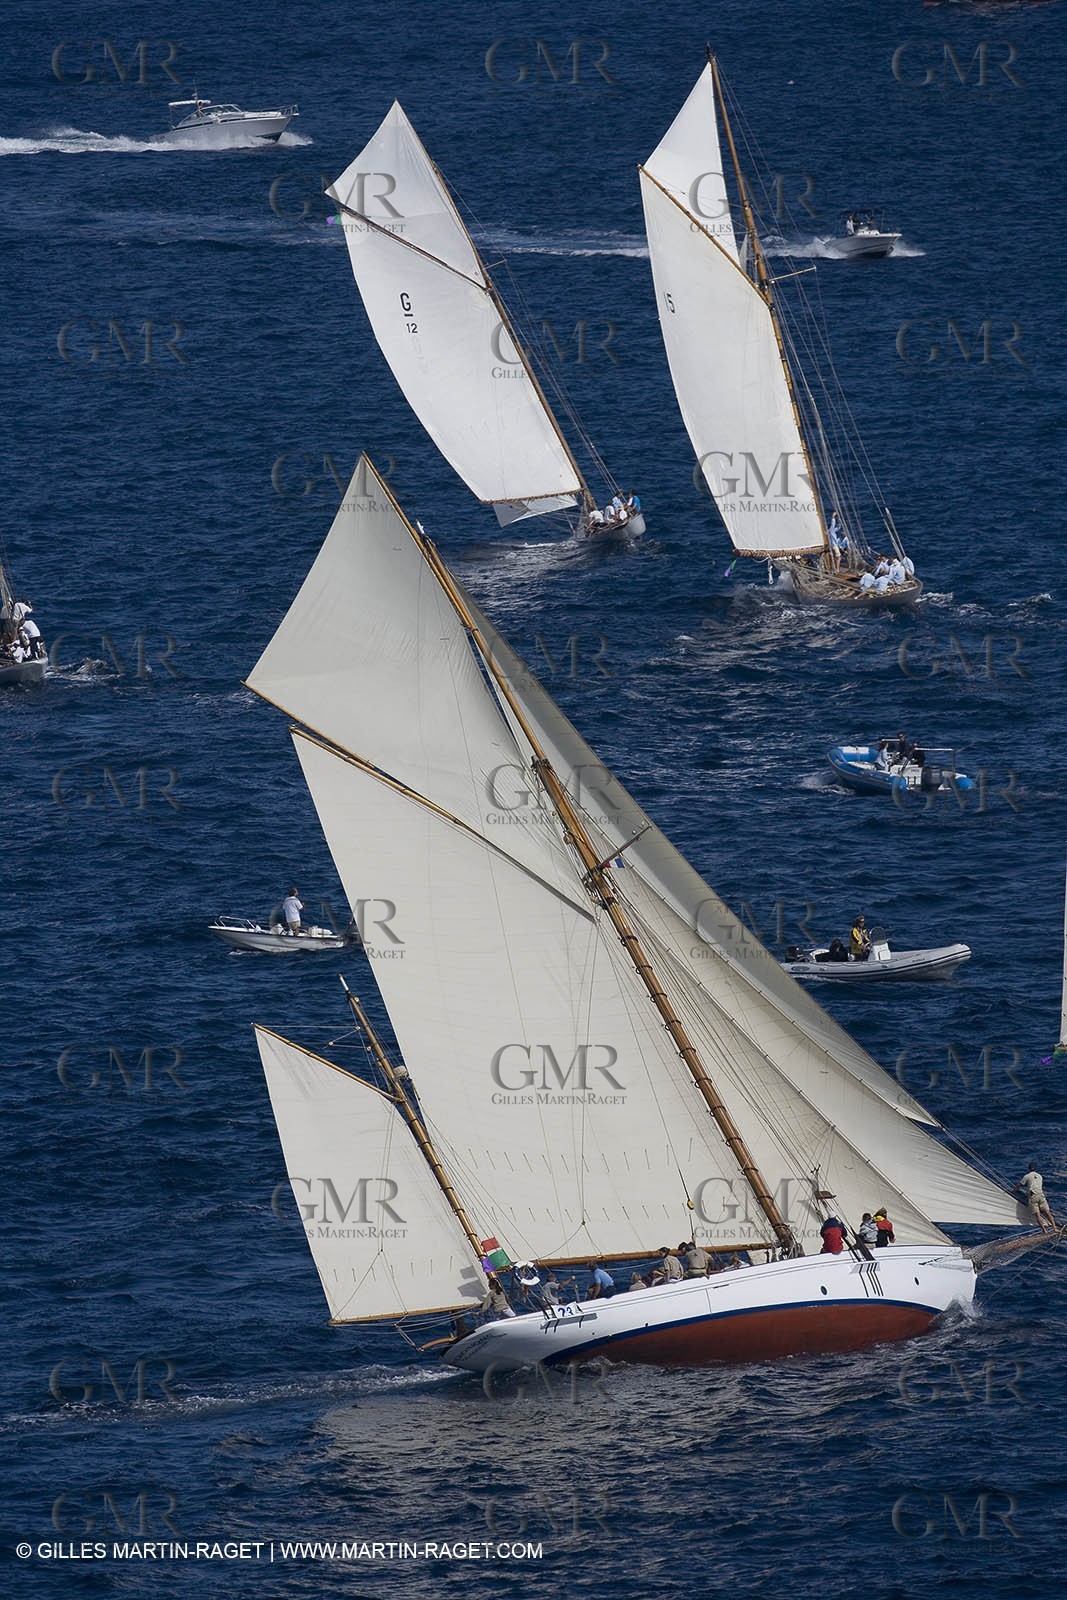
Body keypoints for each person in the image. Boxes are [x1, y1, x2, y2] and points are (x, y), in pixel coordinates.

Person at [1015, 1164, 1055, 1231]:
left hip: (1033, 1196)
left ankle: (1044, 1230)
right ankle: (1055, 1228)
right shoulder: (1040, 1176)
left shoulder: (1027, 1176)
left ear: (1029, 1169)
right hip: (1041, 1195)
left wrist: (1014, 1190)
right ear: (1035, 1169)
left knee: (1037, 1214)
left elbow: (1020, 1185)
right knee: (1048, 1212)